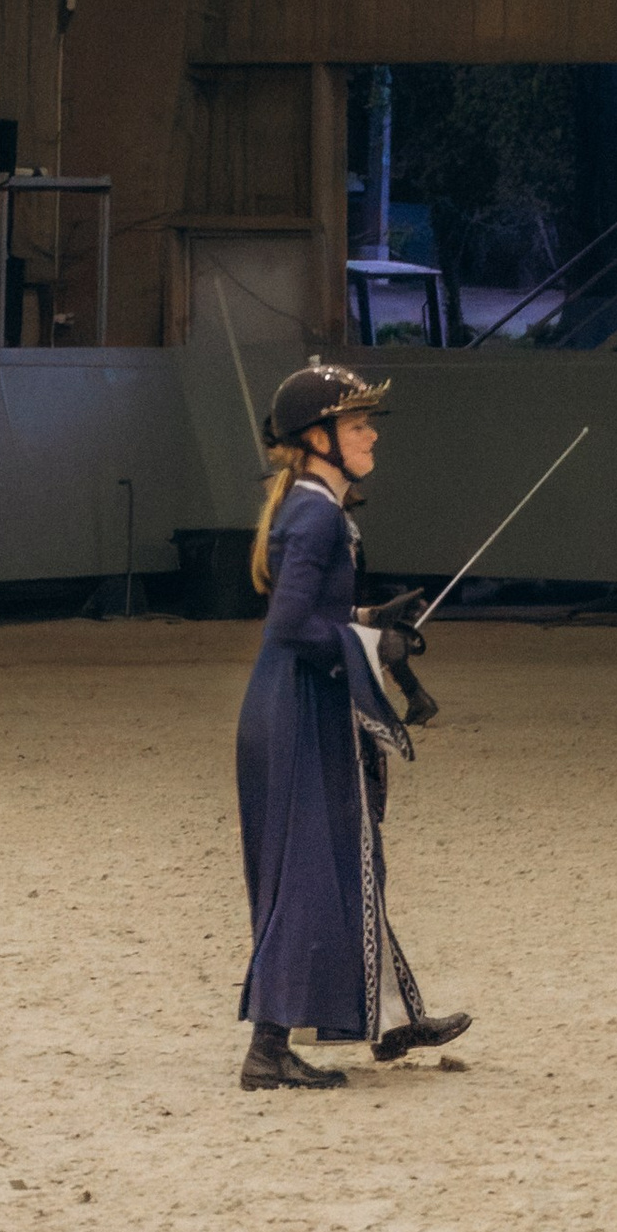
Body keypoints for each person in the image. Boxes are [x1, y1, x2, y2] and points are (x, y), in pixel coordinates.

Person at [234, 360, 472, 1090]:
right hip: (298, 705)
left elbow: (317, 618)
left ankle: (395, 1016)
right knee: (309, 869)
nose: (371, 434)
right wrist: (371, 647)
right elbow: (288, 627)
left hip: (304, 701)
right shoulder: (312, 513)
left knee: (346, 859)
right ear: (317, 437)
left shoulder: (320, 508)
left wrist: (370, 620)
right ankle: (267, 1051)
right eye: (357, 424)